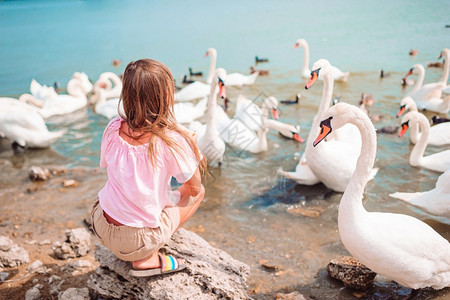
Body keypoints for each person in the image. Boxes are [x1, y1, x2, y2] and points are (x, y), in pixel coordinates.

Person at [90, 58, 206, 277]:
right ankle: (147, 259)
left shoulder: (114, 127)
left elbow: (110, 165)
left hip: (101, 224)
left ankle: (134, 242)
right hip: (137, 242)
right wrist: (191, 149)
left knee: (139, 194)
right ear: (165, 97)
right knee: (199, 193)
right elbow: (193, 189)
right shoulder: (171, 140)